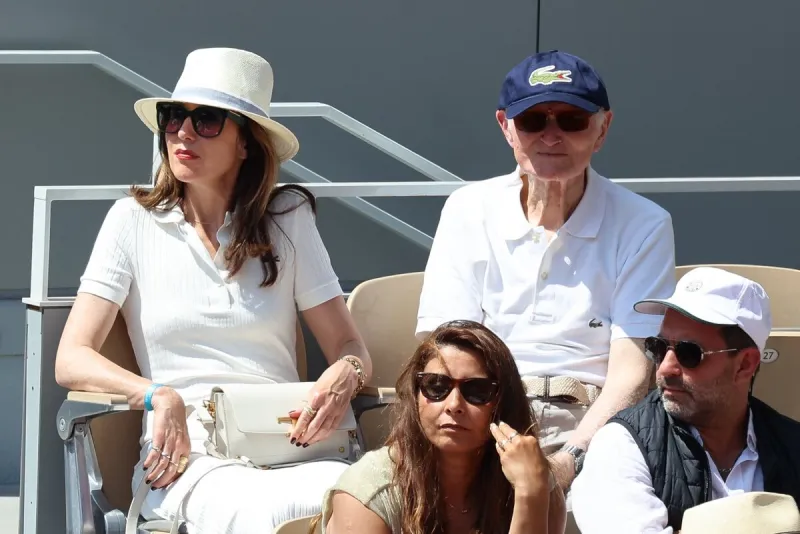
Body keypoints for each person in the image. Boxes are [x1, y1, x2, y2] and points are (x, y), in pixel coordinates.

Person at [54, 47, 372, 533]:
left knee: (366, 498)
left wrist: (346, 373)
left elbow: (349, 347)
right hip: (187, 458)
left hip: (290, 444)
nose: (183, 131)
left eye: (206, 120)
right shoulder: (132, 221)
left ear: (246, 143)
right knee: (265, 515)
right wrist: (157, 395)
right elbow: (71, 357)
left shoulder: (288, 219)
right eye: (174, 116)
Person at [416, 49, 676, 497]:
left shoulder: (644, 223)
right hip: (486, 411)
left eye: (572, 120)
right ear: (506, 127)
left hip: (597, 425)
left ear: (602, 129)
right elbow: (446, 349)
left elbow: (633, 374)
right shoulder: (467, 209)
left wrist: (568, 460)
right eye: (533, 120)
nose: (551, 135)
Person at [571, 267, 800, 533]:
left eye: (689, 353)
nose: (665, 368)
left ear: (744, 365)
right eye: (658, 347)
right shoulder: (621, 445)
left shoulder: (791, 446)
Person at [320, 320, 566, 534]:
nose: (454, 405)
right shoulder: (368, 494)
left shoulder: (536, 483)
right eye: (436, 386)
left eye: (477, 391)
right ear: (416, 397)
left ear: (503, 404)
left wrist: (529, 493)